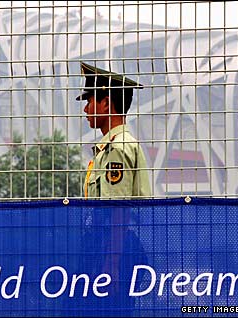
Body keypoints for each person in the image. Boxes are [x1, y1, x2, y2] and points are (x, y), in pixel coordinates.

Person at [76, 62, 151, 316]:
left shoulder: (116, 148)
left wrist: (111, 262)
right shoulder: (111, 146)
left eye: (89, 101)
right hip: (109, 246)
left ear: (106, 104)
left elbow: (118, 209)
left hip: (112, 248)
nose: (85, 109)